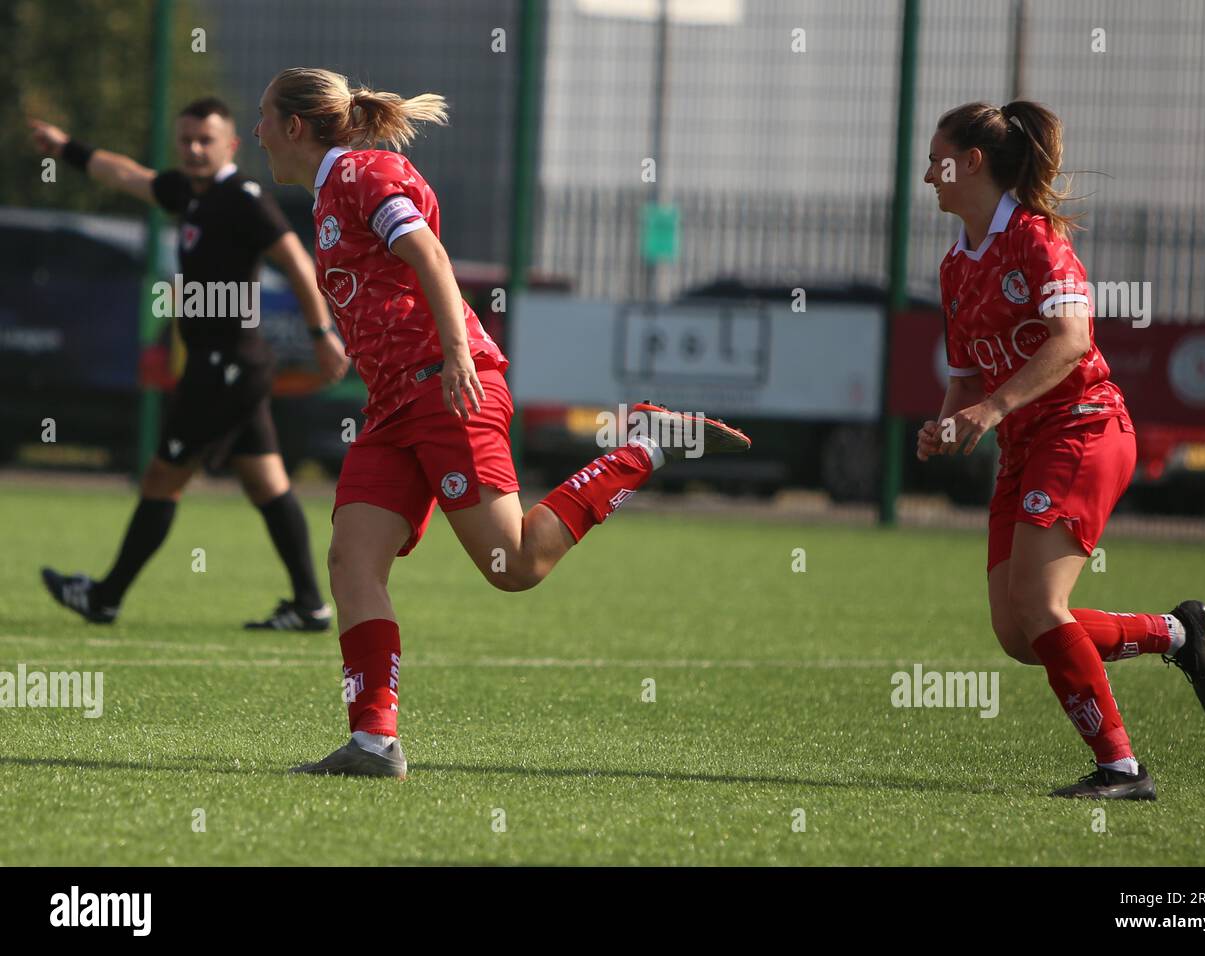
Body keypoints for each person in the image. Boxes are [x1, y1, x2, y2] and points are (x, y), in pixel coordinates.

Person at [253, 68, 751, 778]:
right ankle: (373, 743)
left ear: (295, 126)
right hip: (392, 406)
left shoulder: (364, 173)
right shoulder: (332, 191)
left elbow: (428, 255)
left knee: (513, 565)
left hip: (446, 389)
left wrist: (457, 353)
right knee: (350, 561)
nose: (256, 129)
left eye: (263, 115)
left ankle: (643, 447)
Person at [916, 101, 1205, 800]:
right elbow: (965, 374)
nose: (926, 174)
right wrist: (946, 423)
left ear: (972, 162)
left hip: (1084, 428)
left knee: (1038, 602)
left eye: (936, 158)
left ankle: (1123, 770)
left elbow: (1072, 340)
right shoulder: (955, 266)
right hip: (1025, 445)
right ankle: (1175, 633)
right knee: (1019, 634)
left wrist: (991, 409)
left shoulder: (1036, 240)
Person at [28, 98, 348, 632]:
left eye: (206, 140)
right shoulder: (188, 192)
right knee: (267, 483)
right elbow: (127, 174)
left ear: (231, 145)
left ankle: (104, 597)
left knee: (161, 478)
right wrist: (65, 149)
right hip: (228, 368)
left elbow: (296, 258)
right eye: (187, 140)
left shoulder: (242, 198)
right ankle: (310, 605)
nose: (195, 149)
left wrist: (321, 333)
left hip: (226, 368)